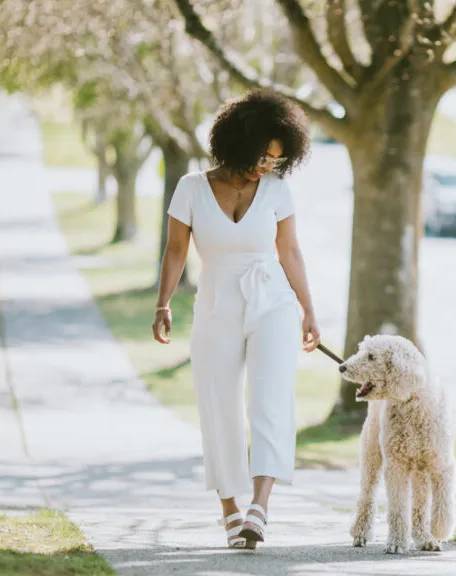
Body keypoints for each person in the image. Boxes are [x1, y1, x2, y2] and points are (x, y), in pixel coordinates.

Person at [152, 89, 320, 550]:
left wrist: (308, 310)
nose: (268, 165)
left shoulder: (278, 190)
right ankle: (229, 508)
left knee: (270, 400)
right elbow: (175, 250)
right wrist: (163, 303)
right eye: (263, 155)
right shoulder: (190, 188)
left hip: (274, 303)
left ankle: (259, 508)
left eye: (277, 159)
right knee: (217, 403)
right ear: (239, 142)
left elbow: (289, 251)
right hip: (216, 300)